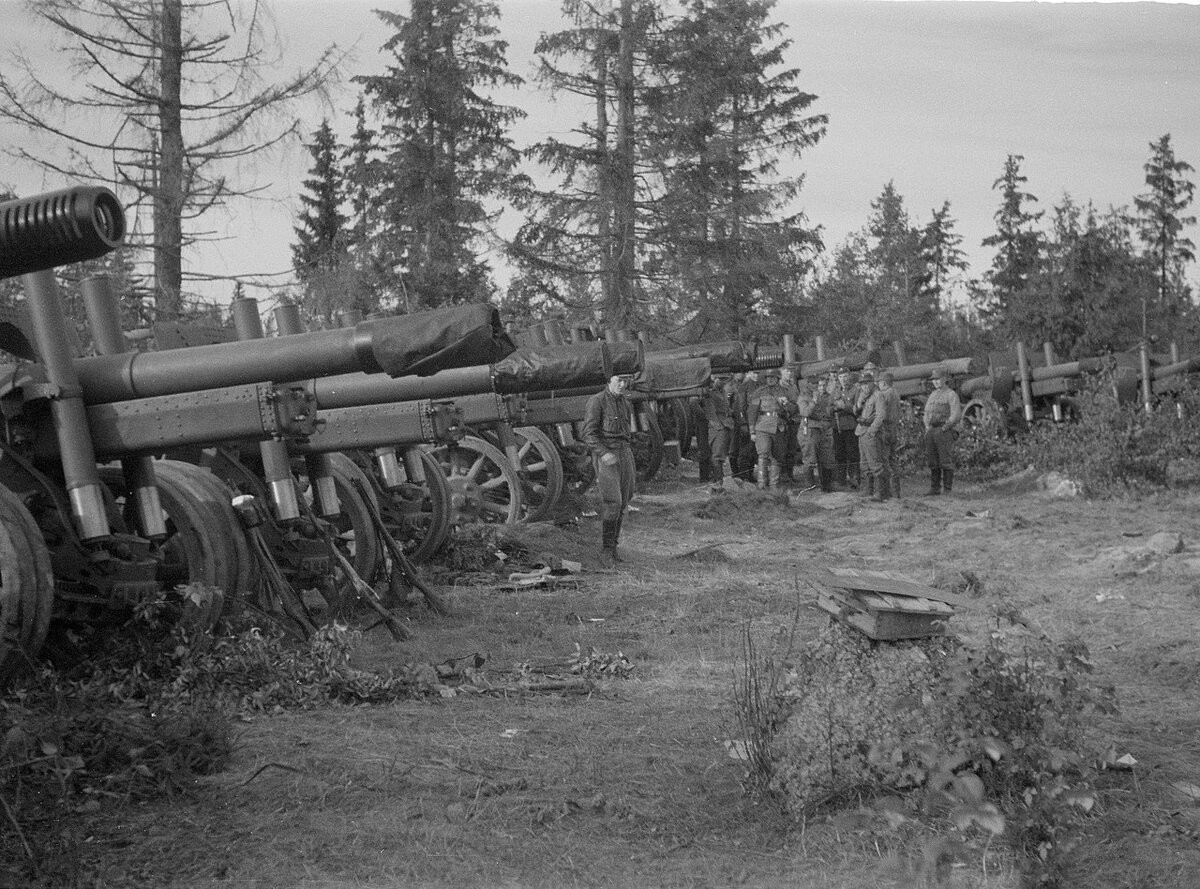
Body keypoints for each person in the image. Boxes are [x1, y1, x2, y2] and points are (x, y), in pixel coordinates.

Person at [581, 373, 638, 563]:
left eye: (625, 381)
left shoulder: (625, 403)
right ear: (608, 381)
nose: (622, 385)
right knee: (613, 501)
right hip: (606, 455)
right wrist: (604, 453)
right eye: (618, 381)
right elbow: (588, 434)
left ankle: (614, 548)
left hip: (624, 453)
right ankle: (606, 551)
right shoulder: (596, 402)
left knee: (624, 501)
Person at [746, 367, 795, 488]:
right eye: (769, 377)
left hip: (779, 426)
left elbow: (794, 409)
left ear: (777, 378)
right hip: (762, 426)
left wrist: (786, 404)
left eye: (773, 377)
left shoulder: (785, 392)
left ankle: (774, 485)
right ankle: (762, 484)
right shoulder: (759, 392)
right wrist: (752, 431)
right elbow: (752, 412)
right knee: (763, 453)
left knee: (777, 456)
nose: (771, 380)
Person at [923, 367, 963, 495]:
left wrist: (946, 427)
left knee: (945, 460)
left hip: (944, 430)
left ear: (945, 379)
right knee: (932, 460)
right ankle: (935, 488)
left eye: (938, 379)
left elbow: (956, 414)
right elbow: (926, 413)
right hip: (931, 430)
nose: (935, 382)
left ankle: (947, 489)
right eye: (933, 380)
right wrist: (927, 426)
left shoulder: (951, 394)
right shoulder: (932, 395)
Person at [701, 373, 736, 490]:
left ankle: (718, 481)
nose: (722, 382)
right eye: (720, 379)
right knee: (717, 456)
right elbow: (710, 412)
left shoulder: (723, 392)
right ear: (714, 379)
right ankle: (718, 482)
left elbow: (725, 407)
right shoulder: (710, 393)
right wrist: (718, 425)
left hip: (725, 425)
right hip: (719, 426)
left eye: (724, 380)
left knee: (720, 456)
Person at [830, 366, 861, 489]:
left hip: (851, 426)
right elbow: (828, 408)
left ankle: (854, 479)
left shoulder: (855, 390)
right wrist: (834, 408)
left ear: (849, 377)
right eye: (841, 377)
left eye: (845, 376)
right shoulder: (835, 391)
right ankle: (841, 480)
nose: (843, 379)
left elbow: (857, 409)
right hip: (837, 427)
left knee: (853, 454)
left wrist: (844, 406)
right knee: (839, 454)